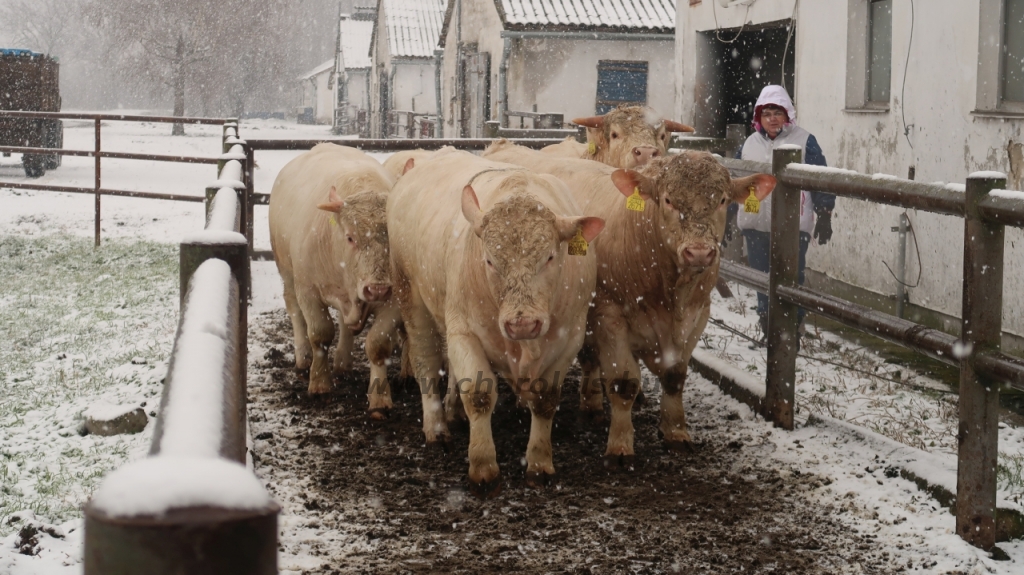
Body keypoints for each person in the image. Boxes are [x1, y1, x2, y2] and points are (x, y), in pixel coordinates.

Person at [734, 84, 834, 340]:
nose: (772, 119)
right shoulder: (748, 144)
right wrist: (726, 216)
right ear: (759, 117)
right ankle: (769, 327)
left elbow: (821, 179)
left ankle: (790, 334)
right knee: (762, 281)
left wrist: (824, 214)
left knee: (792, 281)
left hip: (793, 227)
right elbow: (735, 182)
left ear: (787, 114)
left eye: (777, 113)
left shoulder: (804, 141)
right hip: (755, 225)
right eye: (767, 114)